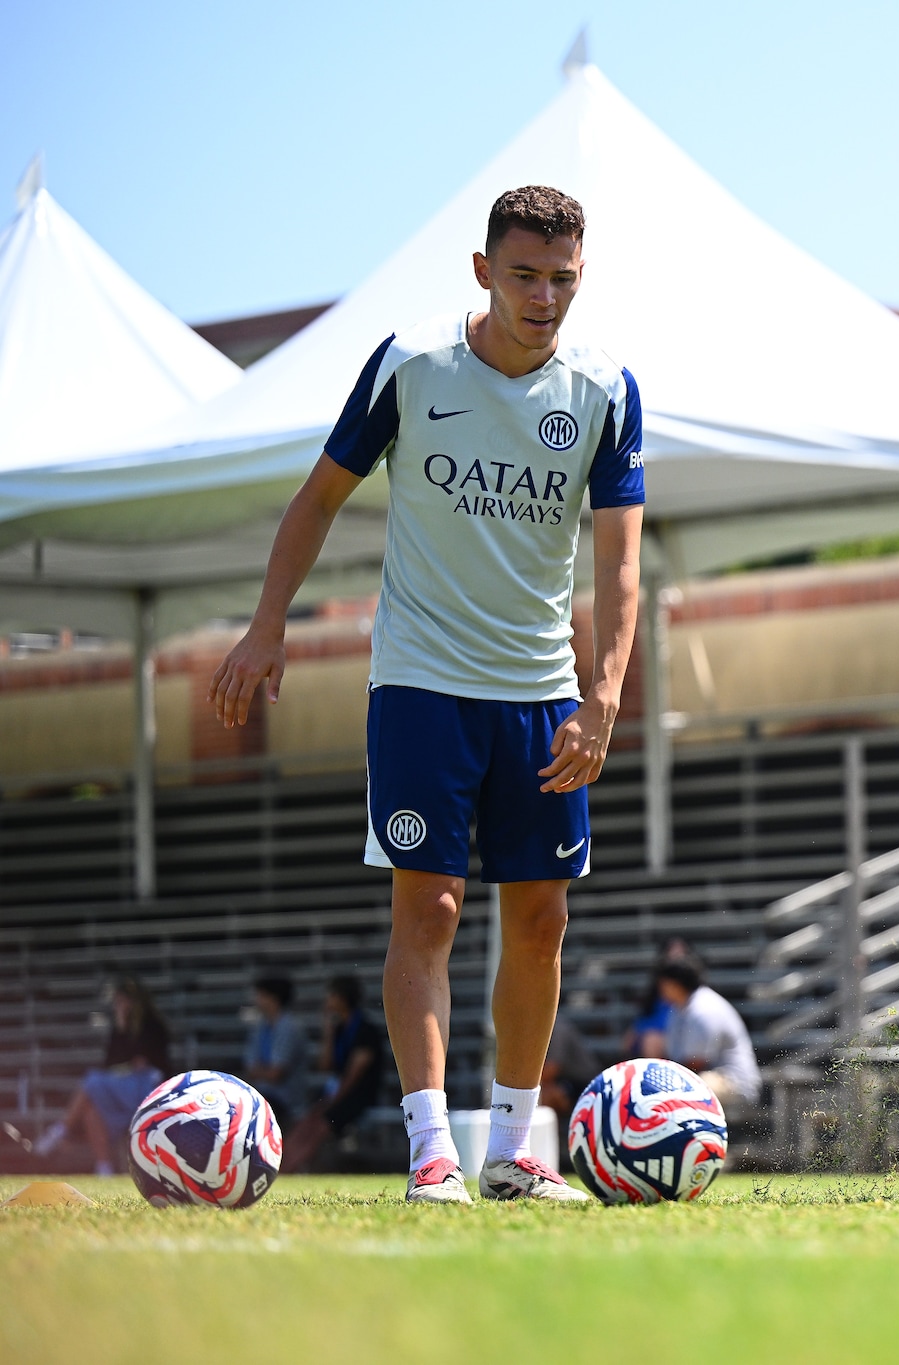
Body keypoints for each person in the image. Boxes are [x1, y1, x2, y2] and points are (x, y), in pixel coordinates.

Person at [207, 186, 643, 1203]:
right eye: (524, 275)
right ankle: (431, 1148)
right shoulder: (410, 366)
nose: (543, 298)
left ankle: (515, 1150)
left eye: (562, 281)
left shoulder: (607, 389)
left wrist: (605, 695)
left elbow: (621, 566)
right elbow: (319, 496)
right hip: (421, 685)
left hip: (541, 694)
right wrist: (268, 624)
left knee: (540, 920)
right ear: (482, 269)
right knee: (433, 907)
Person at [35, 975, 170, 1175]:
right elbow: (112, 1062)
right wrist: (122, 1027)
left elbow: (148, 1061)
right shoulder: (118, 1027)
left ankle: (61, 1130)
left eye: (122, 1001)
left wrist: (130, 1050)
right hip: (121, 1086)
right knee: (90, 1108)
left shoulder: (153, 1026)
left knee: (91, 1081)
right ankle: (103, 1167)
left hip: (144, 1088)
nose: (119, 1005)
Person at [281, 975, 388, 1174]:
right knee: (306, 1122)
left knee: (321, 1125)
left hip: (359, 1095)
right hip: (339, 1091)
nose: (327, 1001)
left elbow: (353, 1076)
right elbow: (325, 1065)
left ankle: (290, 1169)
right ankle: (283, 1165)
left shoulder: (365, 1030)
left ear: (342, 998)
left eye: (331, 995)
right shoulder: (340, 1029)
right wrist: (328, 1031)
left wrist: (332, 1101)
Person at [655, 961, 761, 1109]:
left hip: (733, 1081)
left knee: (677, 1094)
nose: (660, 989)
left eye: (663, 984)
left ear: (674, 984)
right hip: (709, 1075)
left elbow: (696, 1063)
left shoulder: (703, 1009)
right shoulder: (680, 1007)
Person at [242, 973, 308, 1122]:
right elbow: (250, 1067)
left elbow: (277, 1073)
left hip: (286, 1101)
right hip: (263, 1094)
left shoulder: (290, 1028)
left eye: (261, 995)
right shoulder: (259, 1027)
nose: (256, 1000)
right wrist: (265, 1072)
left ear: (273, 998)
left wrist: (261, 1071)